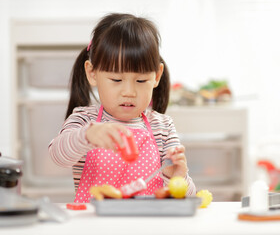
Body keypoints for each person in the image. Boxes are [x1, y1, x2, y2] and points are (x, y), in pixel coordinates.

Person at [49, 13, 196, 203]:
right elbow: (57, 156)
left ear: (156, 76)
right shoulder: (84, 120)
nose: (129, 92)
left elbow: (189, 197)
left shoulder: (163, 127)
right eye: (117, 80)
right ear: (92, 73)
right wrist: (86, 136)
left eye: (141, 80)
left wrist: (177, 178)